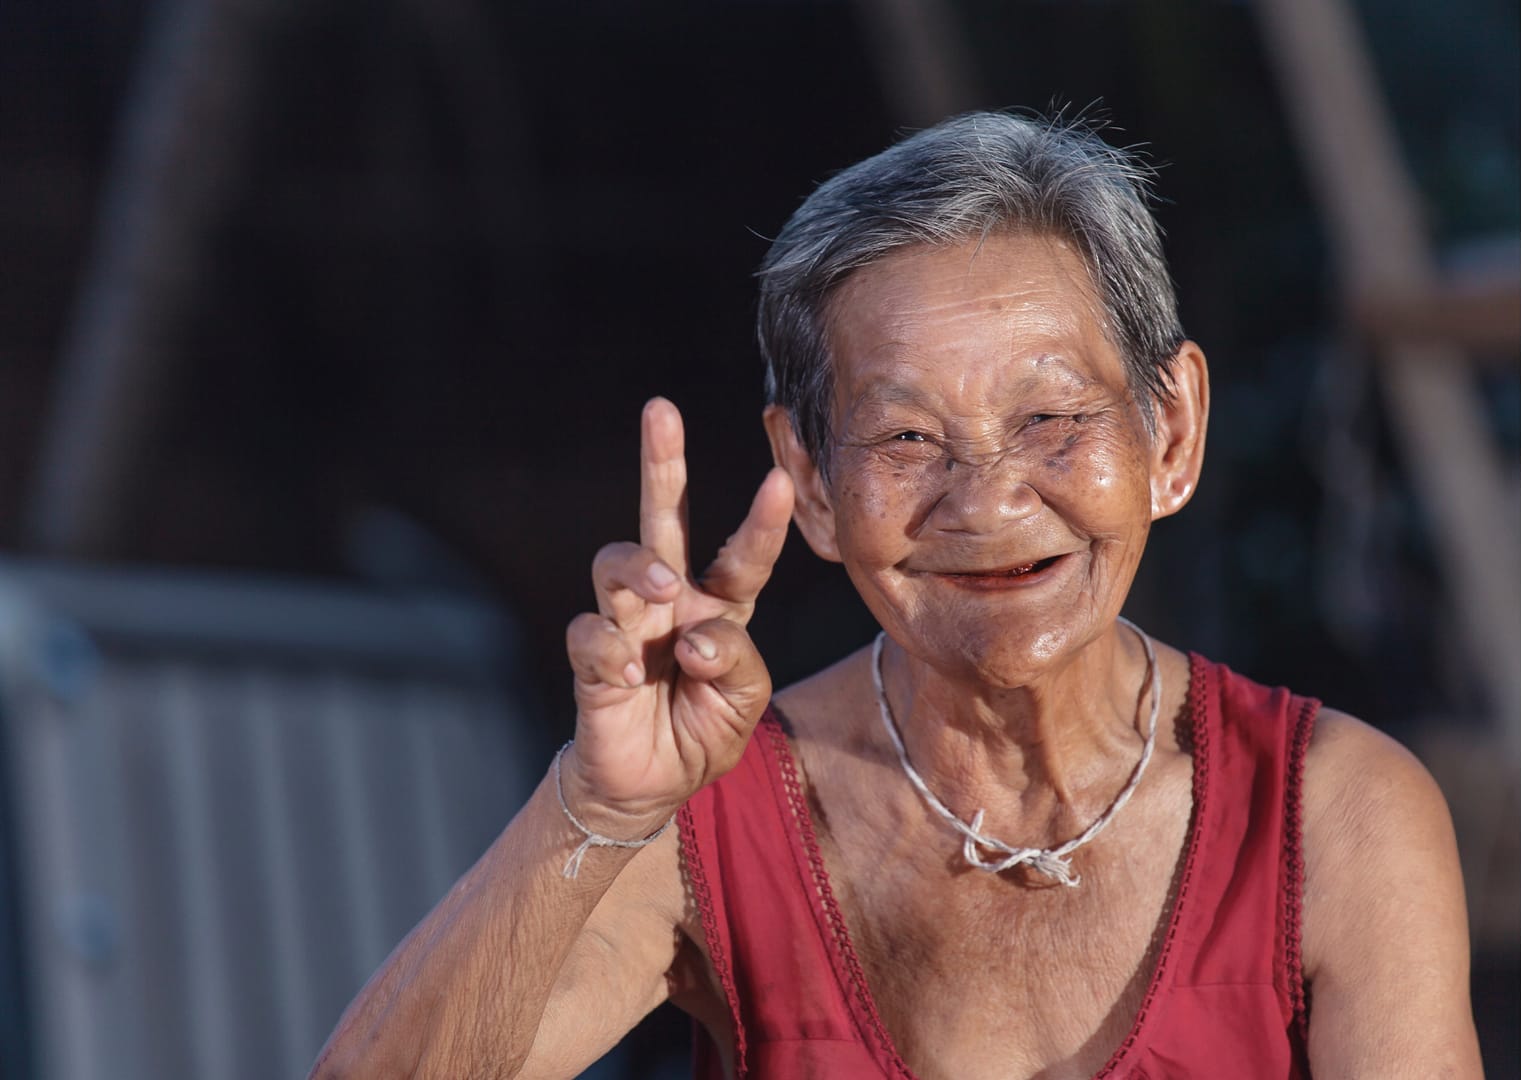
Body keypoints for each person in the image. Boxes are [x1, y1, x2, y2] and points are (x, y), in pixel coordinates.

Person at [310, 111, 1482, 1079]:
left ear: (1169, 431)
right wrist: (599, 808)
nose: (985, 499)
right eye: (907, 436)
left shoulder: (1333, 817)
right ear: (812, 483)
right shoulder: (719, 815)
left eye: (1051, 419)